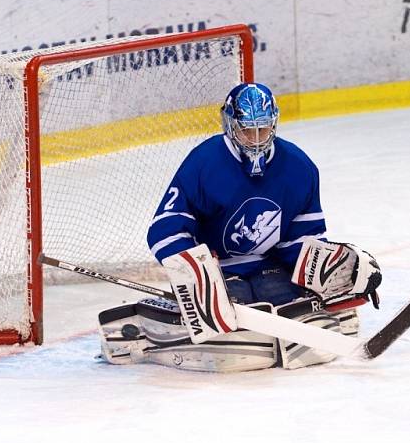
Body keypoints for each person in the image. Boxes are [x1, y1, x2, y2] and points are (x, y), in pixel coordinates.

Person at [97, 82, 381, 372]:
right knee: (237, 310)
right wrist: (195, 265)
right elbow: (165, 229)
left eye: (263, 128)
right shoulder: (203, 163)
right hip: (220, 269)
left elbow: (301, 240)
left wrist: (334, 267)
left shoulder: (298, 166)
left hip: (268, 265)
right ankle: (174, 323)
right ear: (230, 124)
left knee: (287, 300)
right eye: (248, 130)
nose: (256, 139)